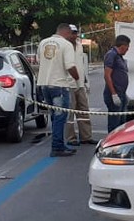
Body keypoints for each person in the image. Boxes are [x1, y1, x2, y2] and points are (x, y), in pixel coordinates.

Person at [37, 23, 79, 157]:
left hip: (44, 84)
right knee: (60, 117)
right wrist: (77, 79)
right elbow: (70, 66)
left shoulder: (43, 43)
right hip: (59, 85)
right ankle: (57, 147)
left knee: (54, 116)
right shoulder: (66, 45)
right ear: (66, 32)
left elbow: (39, 61)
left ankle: (59, 144)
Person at [66, 25, 97, 145]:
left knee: (84, 111)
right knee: (69, 113)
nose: (74, 35)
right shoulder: (63, 45)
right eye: (72, 33)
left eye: (75, 33)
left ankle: (86, 136)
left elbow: (81, 64)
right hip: (68, 83)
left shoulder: (79, 45)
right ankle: (70, 138)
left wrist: (85, 81)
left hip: (80, 84)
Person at [103, 34, 130, 133]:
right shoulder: (112, 54)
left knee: (121, 123)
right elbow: (107, 75)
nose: (127, 50)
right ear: (123, 46)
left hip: (121, 93)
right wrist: (114, 94)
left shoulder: (120, 57)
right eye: (127, 47)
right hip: (114, 93)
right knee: (114, 123)